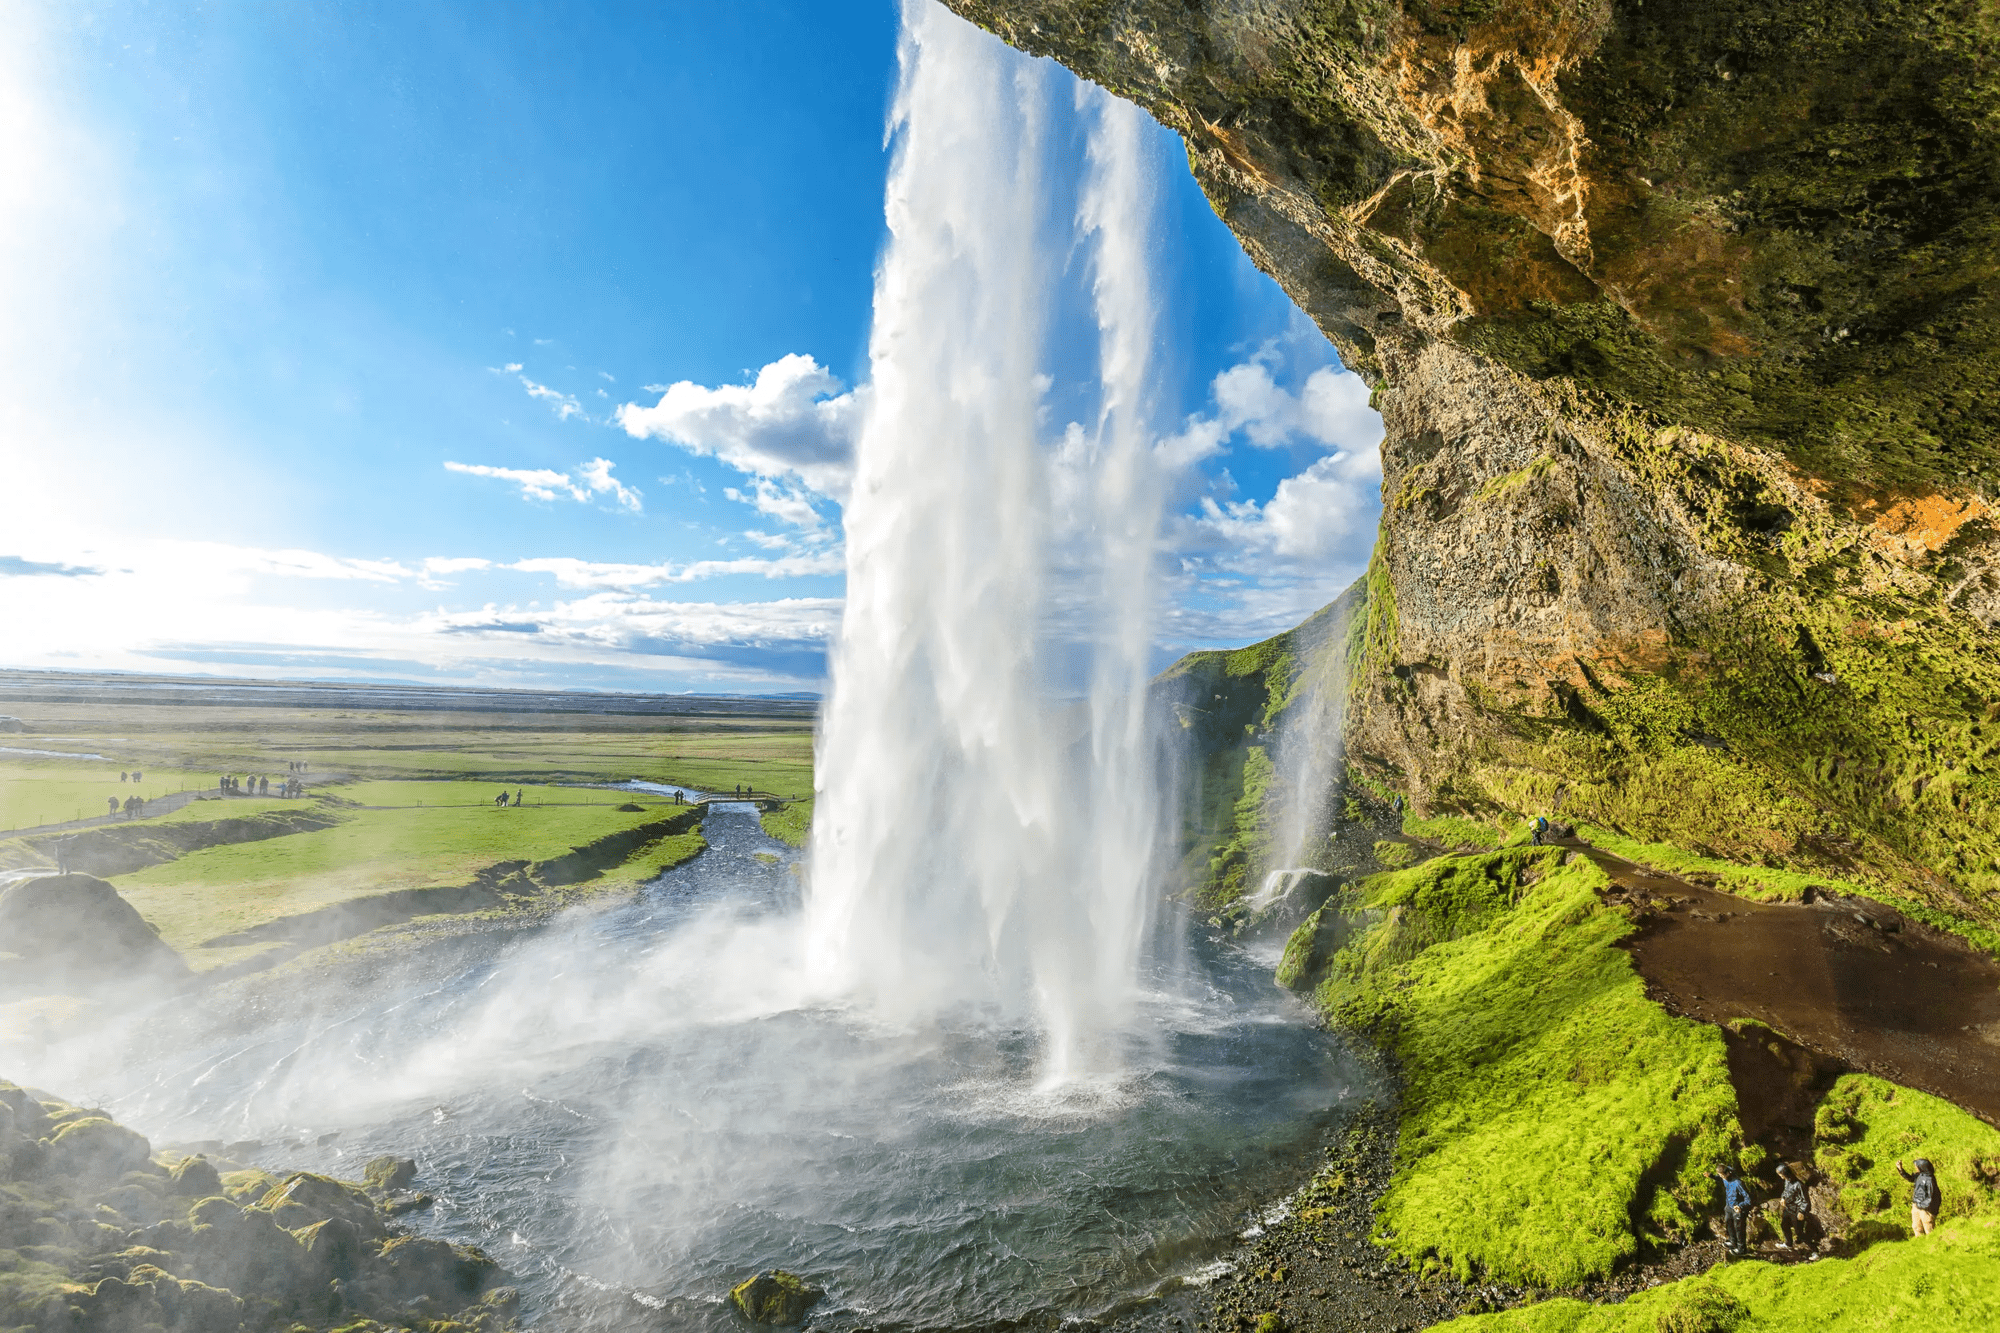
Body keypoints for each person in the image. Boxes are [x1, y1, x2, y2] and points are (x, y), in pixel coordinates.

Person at [1712, 1165, 1752, 1255]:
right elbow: (1718, 1178)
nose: (1722, 1178)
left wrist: (1740, 1206)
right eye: (1720, 1175)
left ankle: (1742, 1249)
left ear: (1728, 1173)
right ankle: (1733, 1242)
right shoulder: (1724, 1178)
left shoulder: (1738, 1183)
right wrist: (1711, 1176)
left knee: (1739, 1229)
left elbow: (1748, 1199)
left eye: (1722, 1175)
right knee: (1728, 1223)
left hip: (1738, 1209)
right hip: (1729, 1206)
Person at [1898, 1158, 1941, 1235]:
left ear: (1922, 1167)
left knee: (1928, 1227)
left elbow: (1931, 1195)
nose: (1915, 1168)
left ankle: (1932, 1244)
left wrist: (1923, 1206)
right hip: (1916, 1204)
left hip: (1925, 1208)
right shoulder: (1919, 1175)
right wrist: (1901, 1169)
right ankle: (1919, 1242)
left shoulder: (1929, 1179)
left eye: (1916, 1166)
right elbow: (1910, 1178)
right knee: (1916, 1226)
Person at [1776, 1163, 1811, 1251]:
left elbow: (1805, 1200)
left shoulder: (1799, 1185)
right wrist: (1783, 1198)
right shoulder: (1787, 1181)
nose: (1780, 1177)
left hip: (1797, 1210)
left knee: (1799, 1232)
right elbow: (1785, 1191)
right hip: (1788, 1208)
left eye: (1781, 1174)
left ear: (1785, 1173)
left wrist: (1802, 1211)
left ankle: (1815, 1251)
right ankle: (1788, 1244)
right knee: (1784, 1225)